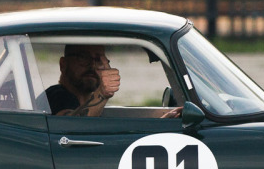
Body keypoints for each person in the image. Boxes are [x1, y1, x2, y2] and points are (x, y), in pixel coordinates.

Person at [45, 44, 180, 118]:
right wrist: (102, 94)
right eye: (83, 58)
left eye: (98, 60)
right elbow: (70, 129)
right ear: (63, 64)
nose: (92, 66)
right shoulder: (57, 96)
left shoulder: (87, 103)